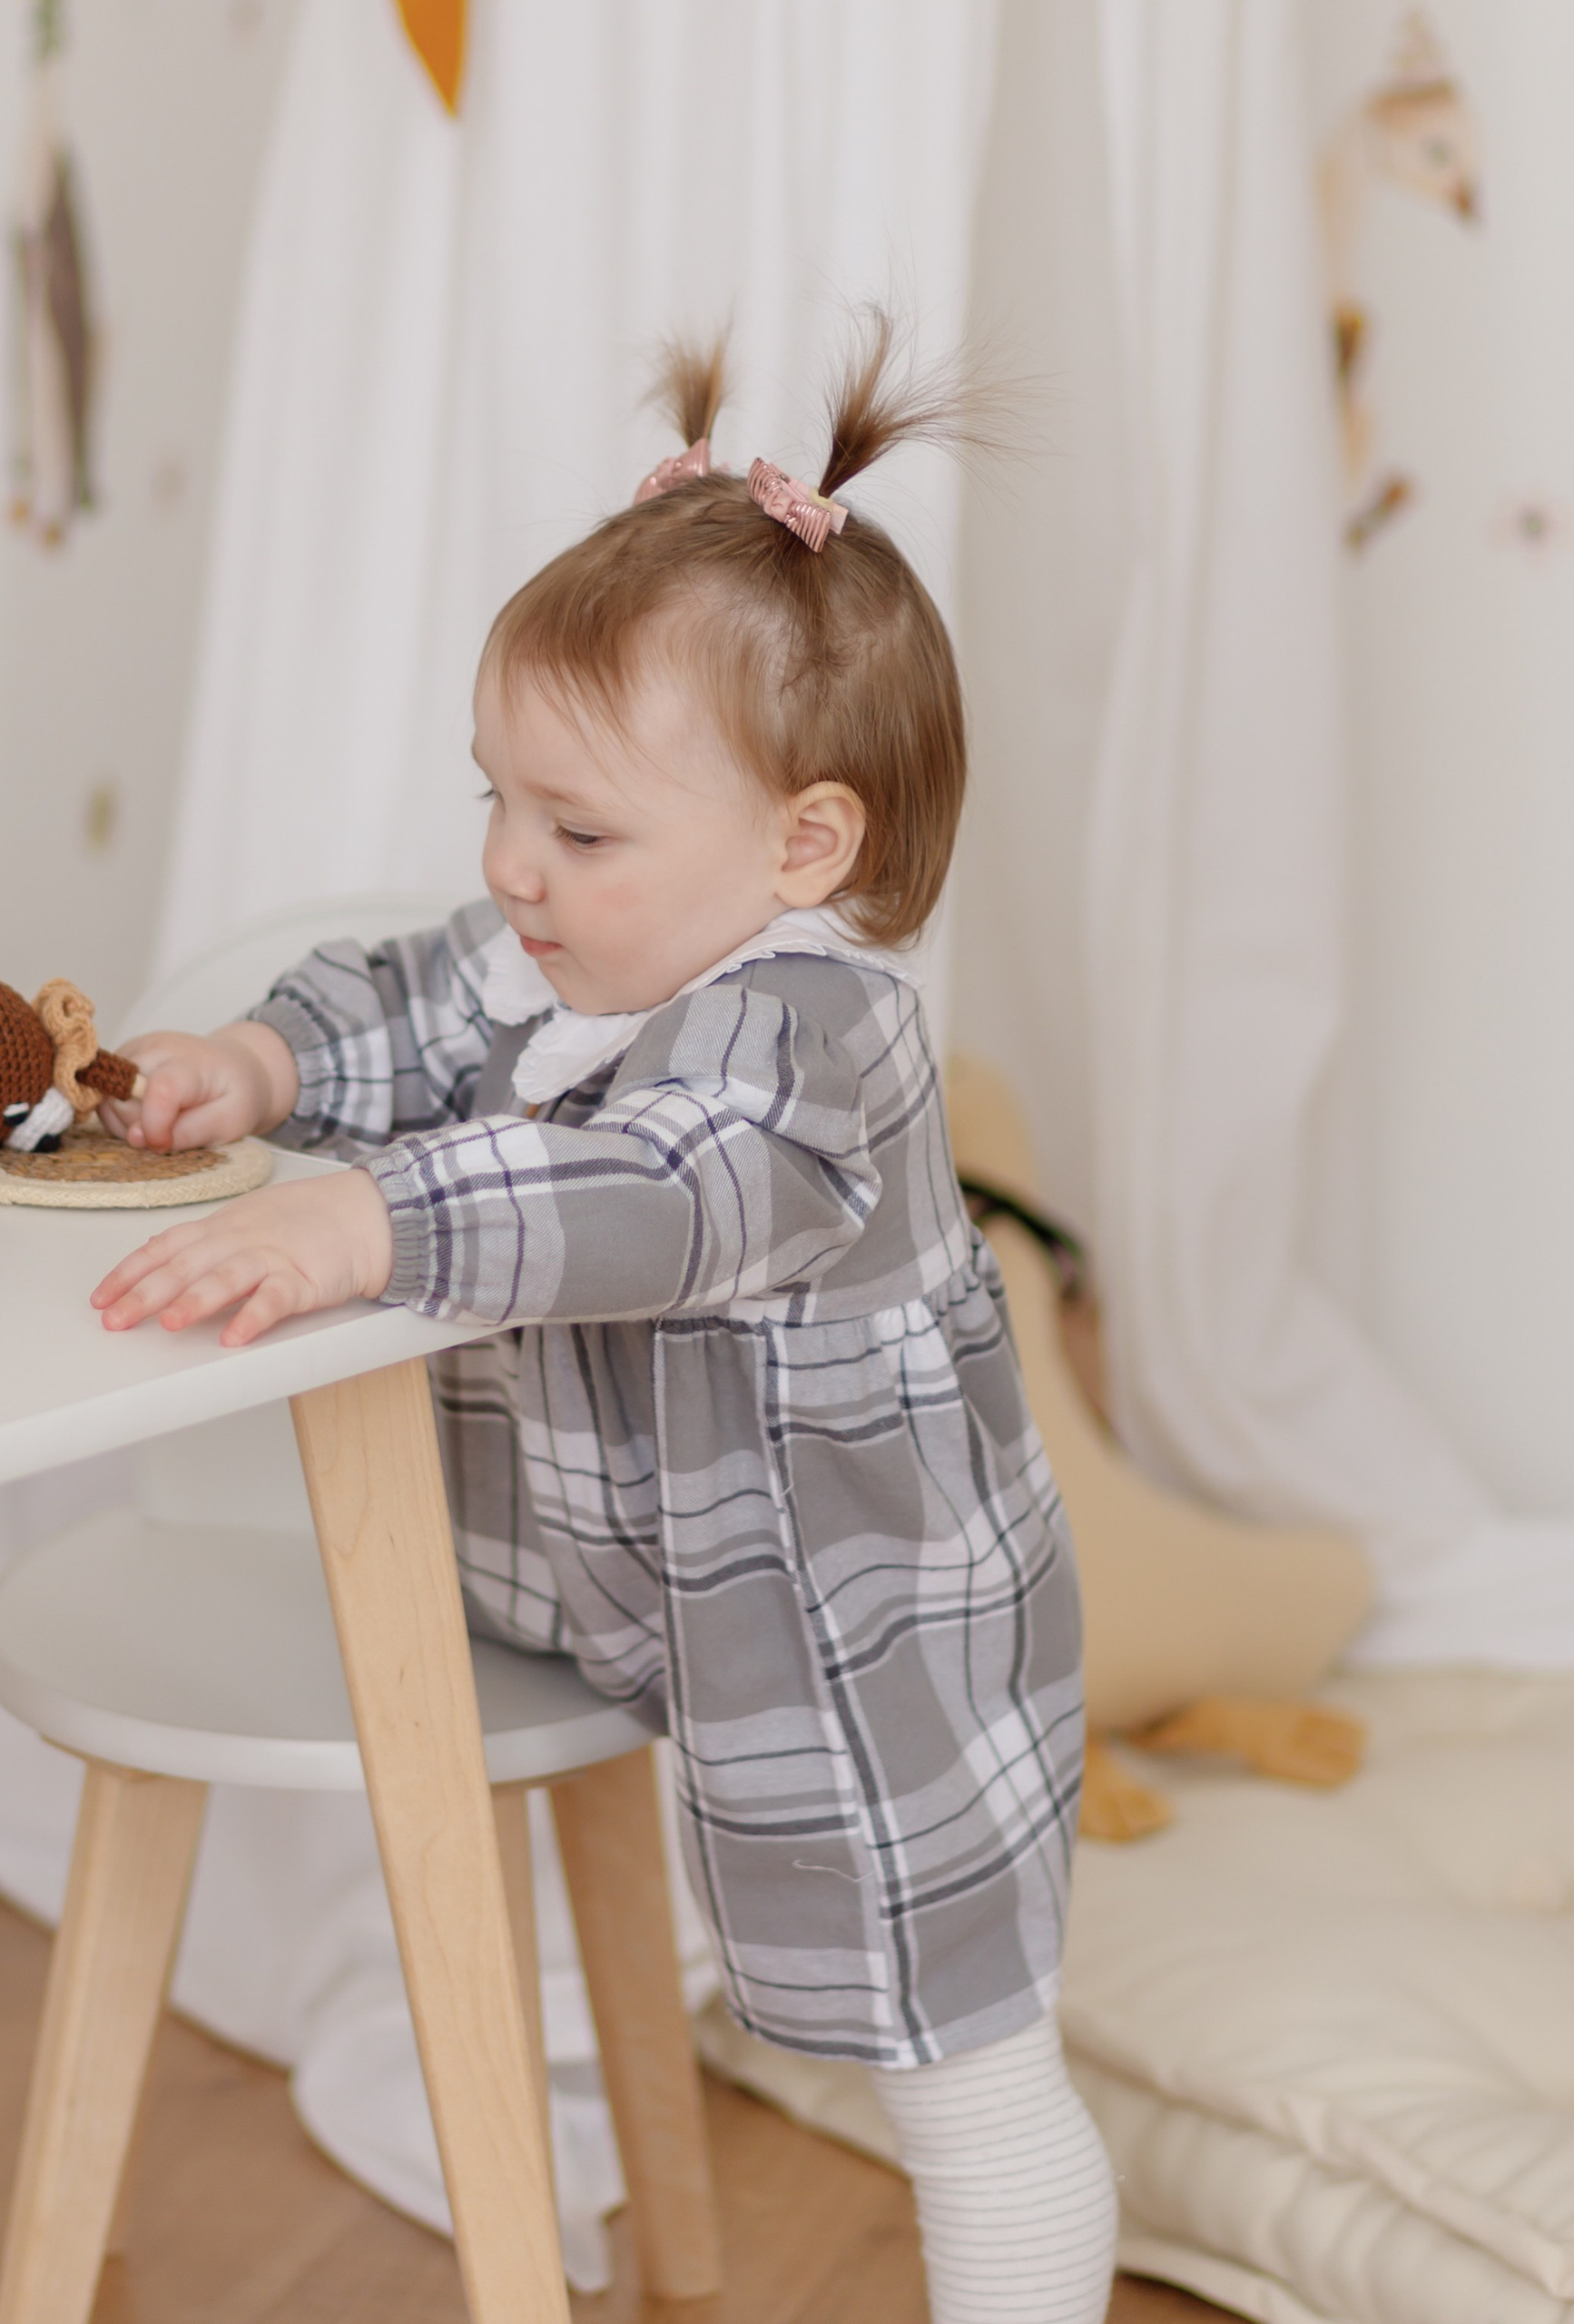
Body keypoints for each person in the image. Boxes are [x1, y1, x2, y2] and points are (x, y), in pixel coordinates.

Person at [91, 319, 1117, 2324]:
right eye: (497, 799)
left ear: (799, 845)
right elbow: (414, 992)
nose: (508, 867)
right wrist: (255, 1063)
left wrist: (361, 1217)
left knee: (960, 2072)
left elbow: (642, 1196)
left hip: (860, 1625)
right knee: (592, 1886)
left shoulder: (811, 1033)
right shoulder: (568, 944)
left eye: (572, 831)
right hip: (604, 1586)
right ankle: (501, 2114)